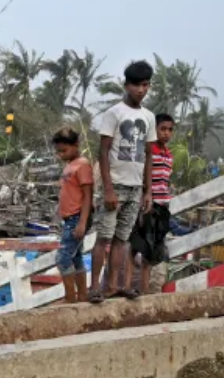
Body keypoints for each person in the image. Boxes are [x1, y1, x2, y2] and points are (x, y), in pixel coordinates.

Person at [90, 60, 156, 303]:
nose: (141, 90)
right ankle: (95, 287)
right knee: (104, 237)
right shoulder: (114, 113)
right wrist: (107, 188)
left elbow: (149, 154)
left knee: (122, 239)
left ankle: (114, 285)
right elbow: (103, 152)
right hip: (115, 185)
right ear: (127, 85)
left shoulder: (148, 117)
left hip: (135, 187)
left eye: (146, 85)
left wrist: (147, 191)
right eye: (137, 85)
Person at [132, 113, 175, 295]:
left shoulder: (168, 155)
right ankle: (137, 290)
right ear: (154, 130)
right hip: (148, 205)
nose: (166, 133)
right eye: (162, 129)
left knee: (152, 253)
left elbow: (164, 182)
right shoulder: (149, 152)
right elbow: (141, 178)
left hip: (163, 206)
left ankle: (145, 290)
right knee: (137, 248)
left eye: (170, 130)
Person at [52, 127, 93, 303]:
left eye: (64, 150)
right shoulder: (70, 165)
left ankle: (70, 297)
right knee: (76, 258)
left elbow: (88, 195)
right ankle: (82, 295)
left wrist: (82, 222)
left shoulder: (82, 165)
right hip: (70, 218)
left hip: (77, 217)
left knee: (62, 258)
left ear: (76, 145)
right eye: (58, 151)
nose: (60, 154)